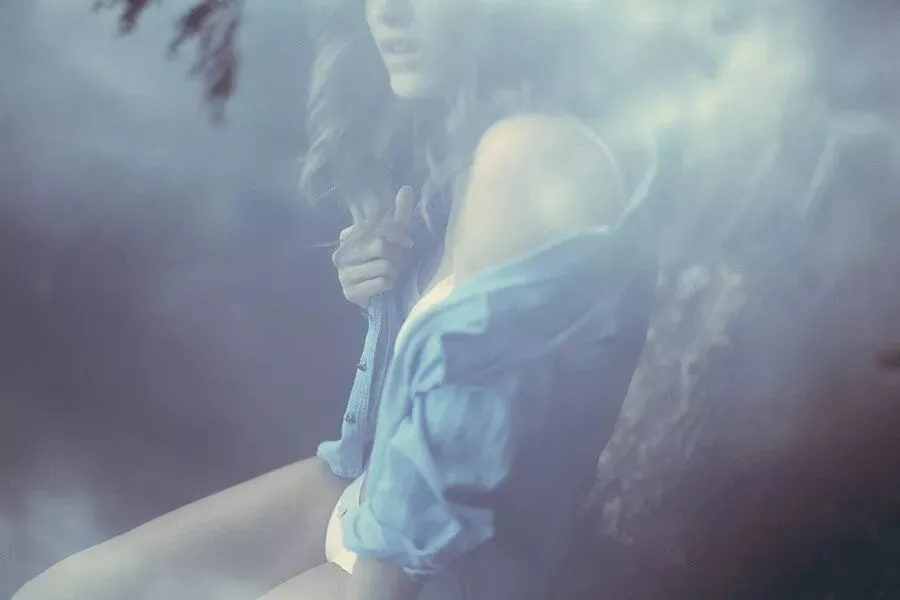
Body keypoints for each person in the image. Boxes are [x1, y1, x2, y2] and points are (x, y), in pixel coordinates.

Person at [14, 0, 658, 599]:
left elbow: (450, 464)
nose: (387, 14)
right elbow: (422, 396)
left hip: (428, 570)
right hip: (358, 498)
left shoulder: (532, 155)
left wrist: (369, 584)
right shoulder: (457, 157)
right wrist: (388, 290)